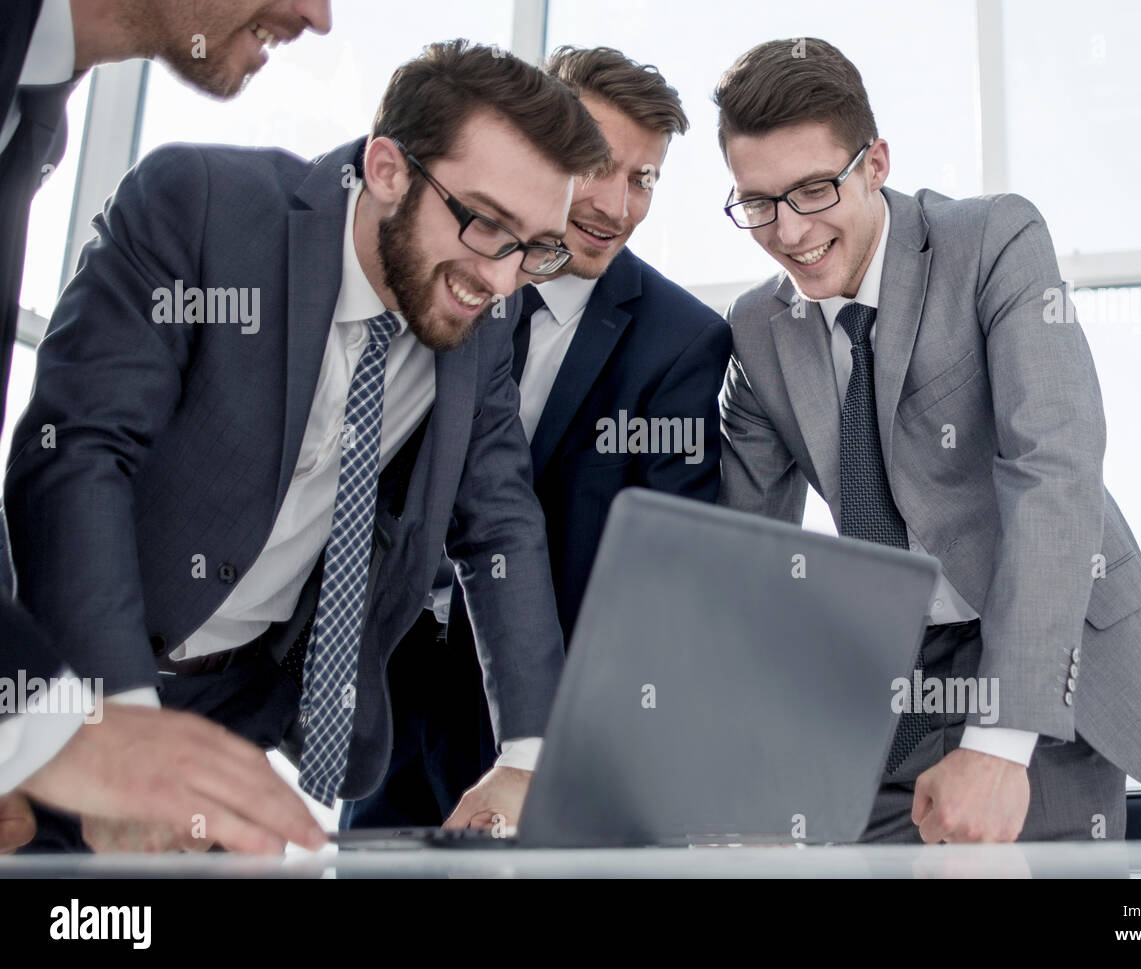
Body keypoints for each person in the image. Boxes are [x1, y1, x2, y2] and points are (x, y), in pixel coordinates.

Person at [4, 38, 609, 852]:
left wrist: (528, 755)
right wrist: (123, 726)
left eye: (536, 248)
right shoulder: (203, 208)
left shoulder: (484, 316)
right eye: (484, 224)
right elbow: (75, 455)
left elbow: (498, 520)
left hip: (234, 717)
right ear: (388, 168)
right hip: (60, 682)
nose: (502, 280)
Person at [712, 38, 1141, 843]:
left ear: (875, 163)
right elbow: (744, 557)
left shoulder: (993, 241)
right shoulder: (757, 331)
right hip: (889, 691)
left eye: (813, 190)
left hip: (1035, 657)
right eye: (758, 202)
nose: (788, 230)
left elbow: (1054, 471)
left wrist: (997, 740)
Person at [341, 46, 732, 829]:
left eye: (644, 179)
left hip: (551, 723)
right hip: (391, 692)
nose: (616, 206)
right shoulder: (431, 272)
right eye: (598, 164)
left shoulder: (682, 341)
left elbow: (669, 569)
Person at [1, 0, 333, 854]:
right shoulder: (198, 201)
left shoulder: (32, 93)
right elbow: (76, 450)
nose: (320, 16)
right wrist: (43, 728)